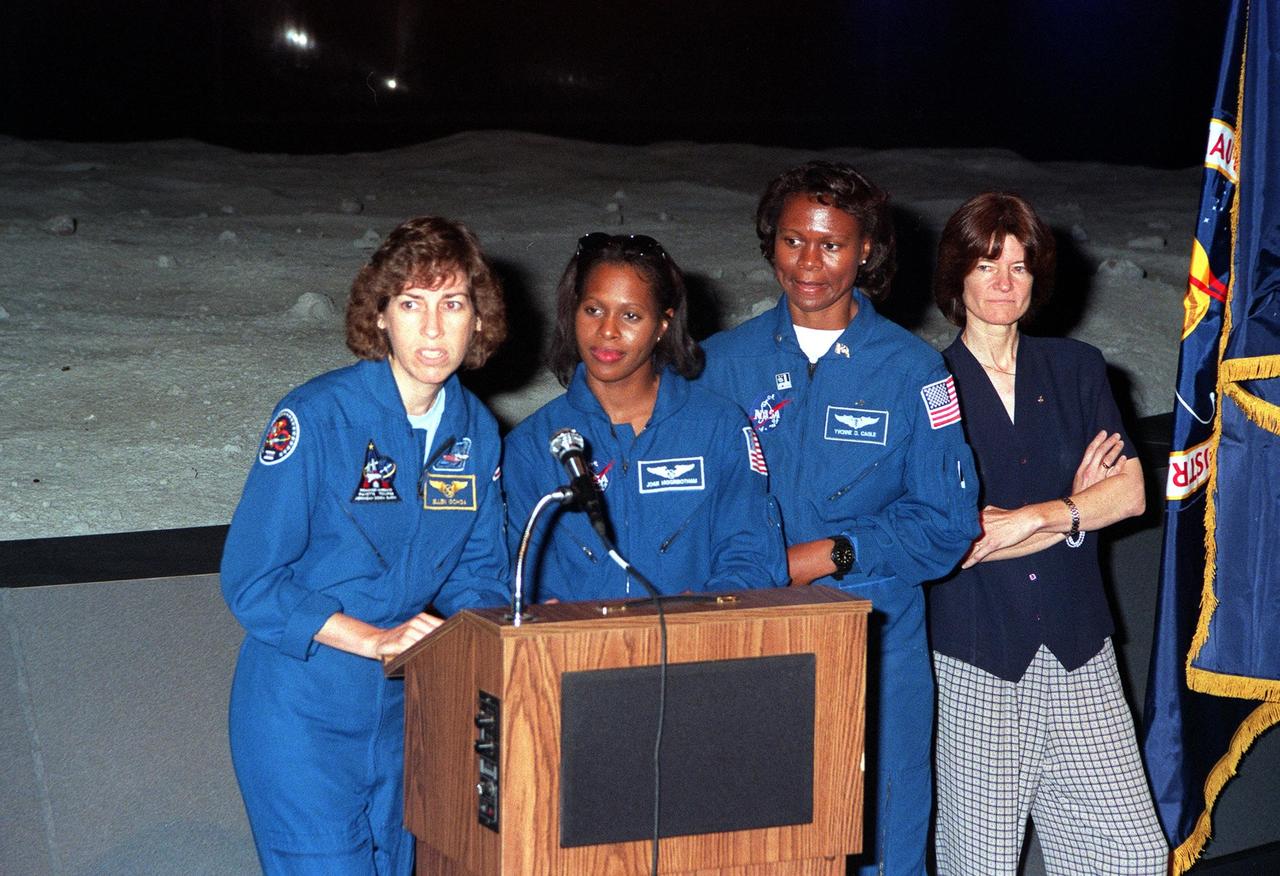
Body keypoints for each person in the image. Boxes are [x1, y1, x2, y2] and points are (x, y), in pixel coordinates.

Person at [698, 161, 980, 876]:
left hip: (875, 641)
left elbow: (946, 522)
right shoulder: (718, 366)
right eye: (794, 241)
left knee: (883, 837)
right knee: (755, 844)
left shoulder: (913, 371)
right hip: (753, 639)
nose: (810, 263)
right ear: (771, 244)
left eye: (832, 244)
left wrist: (832, 554)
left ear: (867, 251)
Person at [221, 216, 511, 875]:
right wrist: (374, 639)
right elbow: (252, 579)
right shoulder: (318, 417)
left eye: (453, 304)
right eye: (411, 304)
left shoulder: (477, 432)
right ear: (379, 316)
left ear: (477, 318)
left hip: (403, 713)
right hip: (303, 709)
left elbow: (479, 570)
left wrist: (455, 635)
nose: (434, 329)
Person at [928, 192, 1168, 874]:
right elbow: (960, 540)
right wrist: (1077, 508)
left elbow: (1127, 495)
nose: (1004, 281)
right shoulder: (925, 386)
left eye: (1019, 265)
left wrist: (1043, 514)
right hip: (977, 658)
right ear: (956, 277)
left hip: (1080, 651)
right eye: (986, 263)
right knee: (981, 864)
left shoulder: (1078, 369)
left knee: (1133, 856)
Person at [503, 231, 788, 601]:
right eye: (593, 309)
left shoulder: (718, 428)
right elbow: (511, 573)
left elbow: (751, 556)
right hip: (574, 653)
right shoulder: (532, 444)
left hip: (694, 648)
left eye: (631, 315)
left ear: (662, 325)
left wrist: (705, 609)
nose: (607, 331)